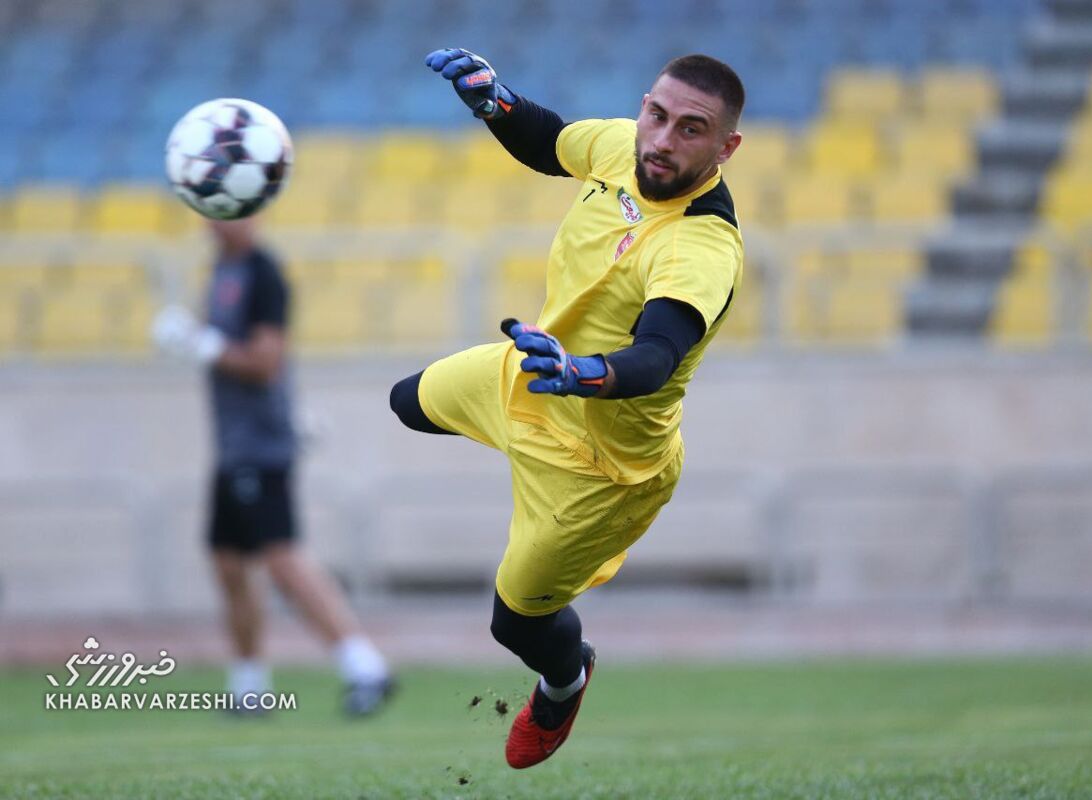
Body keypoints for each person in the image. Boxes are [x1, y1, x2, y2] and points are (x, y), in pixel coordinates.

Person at [390, 49, 744, 767]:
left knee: (514, 622)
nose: (662, 140)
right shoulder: (623, 145)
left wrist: (584, 373)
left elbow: (654, 358)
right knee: (407, 402)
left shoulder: (703, 244)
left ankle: (565, 677)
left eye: (691, 129)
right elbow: (550, 141)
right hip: (531, 378)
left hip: (601, 465)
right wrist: (496, 103)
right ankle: (522, 445)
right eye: (658, 115)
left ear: (725, 147)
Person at [152, 217, 393, 716]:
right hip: (234, 445)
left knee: (281, 560)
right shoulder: (223, 268)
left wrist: (203, 345)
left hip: (260, 445)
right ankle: (248, 685)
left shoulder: (263, 273)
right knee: (228, 563)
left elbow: (265, 362)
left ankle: (365, 666)